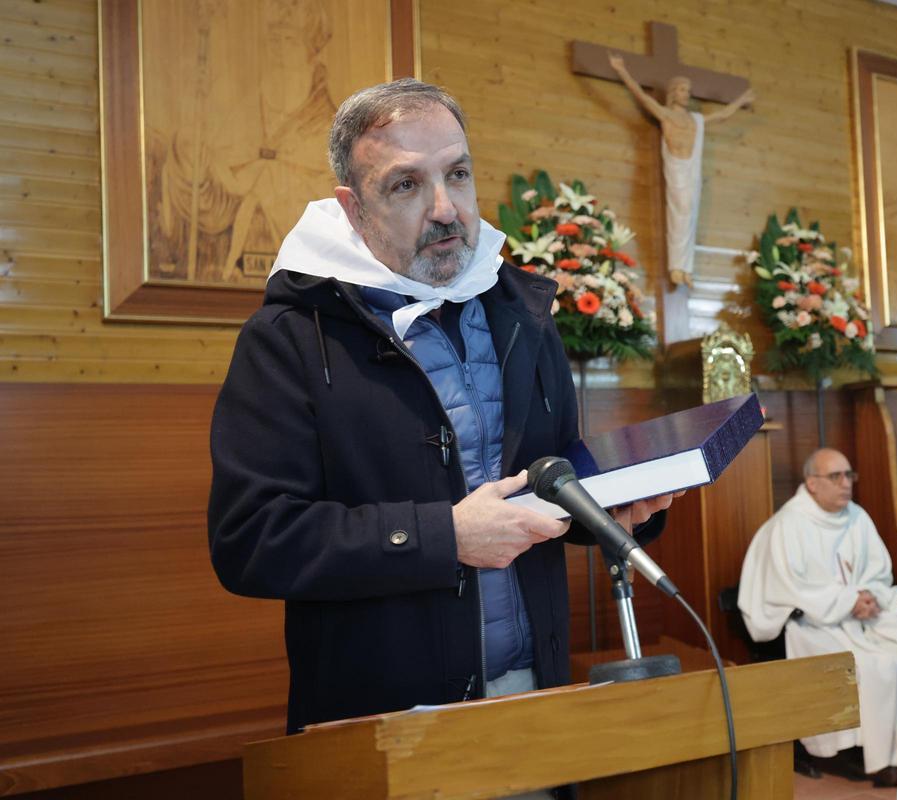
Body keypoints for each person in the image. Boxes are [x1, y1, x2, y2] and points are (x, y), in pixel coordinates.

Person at [207, 79, 673, 738]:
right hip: (388, 715)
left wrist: (606, 512)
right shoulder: (289, 337)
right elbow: (250, 541)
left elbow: (554, 462)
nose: (446, 208)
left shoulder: (523, 313)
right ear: (352, 207)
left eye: (457, 173)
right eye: (406, 185)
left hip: (535, 694)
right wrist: (443, 537)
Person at [737, 448, 897, 788]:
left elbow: (879, 571)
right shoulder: (789, 523)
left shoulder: (857, 517)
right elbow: (789, 587)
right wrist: (848, 601)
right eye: (836, 477)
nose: (846, 484)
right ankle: (867, 755)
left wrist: (870, 595)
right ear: (812, 483)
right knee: (873, 666)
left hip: (860, 616)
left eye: (849, 475)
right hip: (810, 622)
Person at [607, 53, 754, 289]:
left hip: (690, 170)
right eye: (683, 90)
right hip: (675, 169)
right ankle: (676, 267)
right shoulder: (666, 115)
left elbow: (723, 115)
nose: (687, 94)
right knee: (679, 213)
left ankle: (685, 268)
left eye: (688, 90)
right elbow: (643, 98)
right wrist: (621, 70)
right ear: (674, 92)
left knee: (690, 215)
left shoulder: (696, 120)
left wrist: (741, 99)